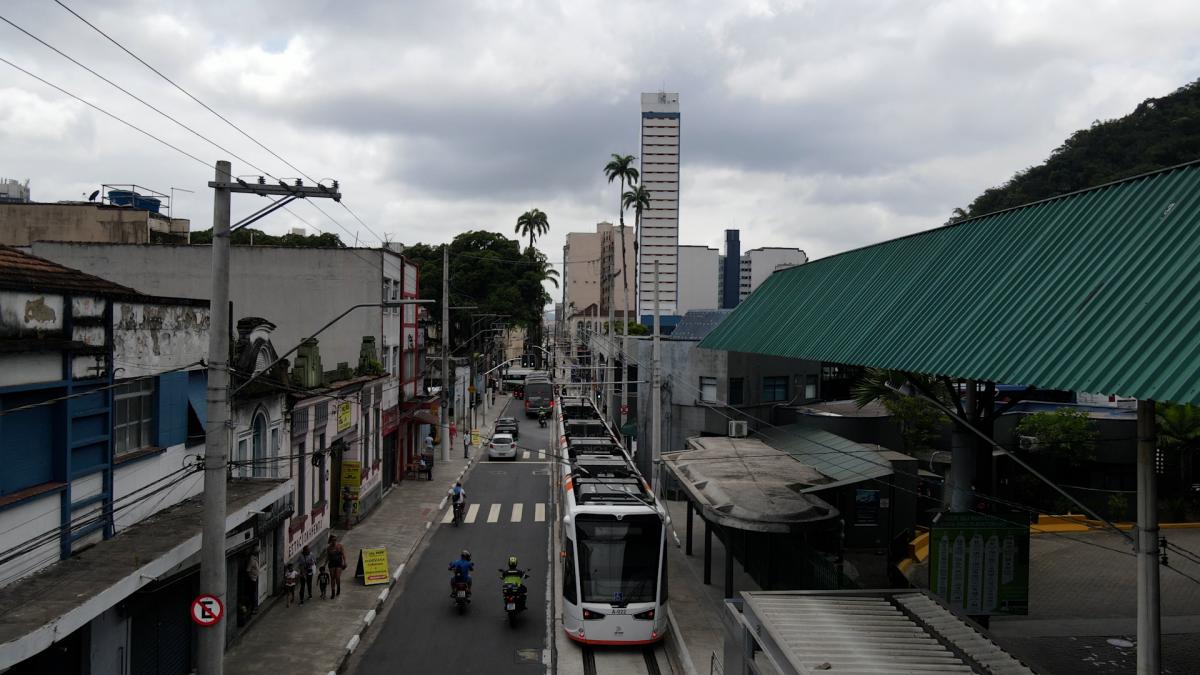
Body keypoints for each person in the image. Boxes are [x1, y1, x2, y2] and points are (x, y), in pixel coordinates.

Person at [327, 534, 347, 598]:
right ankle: (333, 592)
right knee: (332, 578)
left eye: (335, 540)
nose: (334, 541)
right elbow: (328, 557)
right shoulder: (329, 548)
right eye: (333, 540)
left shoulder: (340, 546)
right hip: (332, 563)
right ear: (330, 540)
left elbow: (343, 555)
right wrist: (324, 564)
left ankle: (338, 587)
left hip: (338, 563)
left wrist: (344, 562)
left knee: (337, 577)